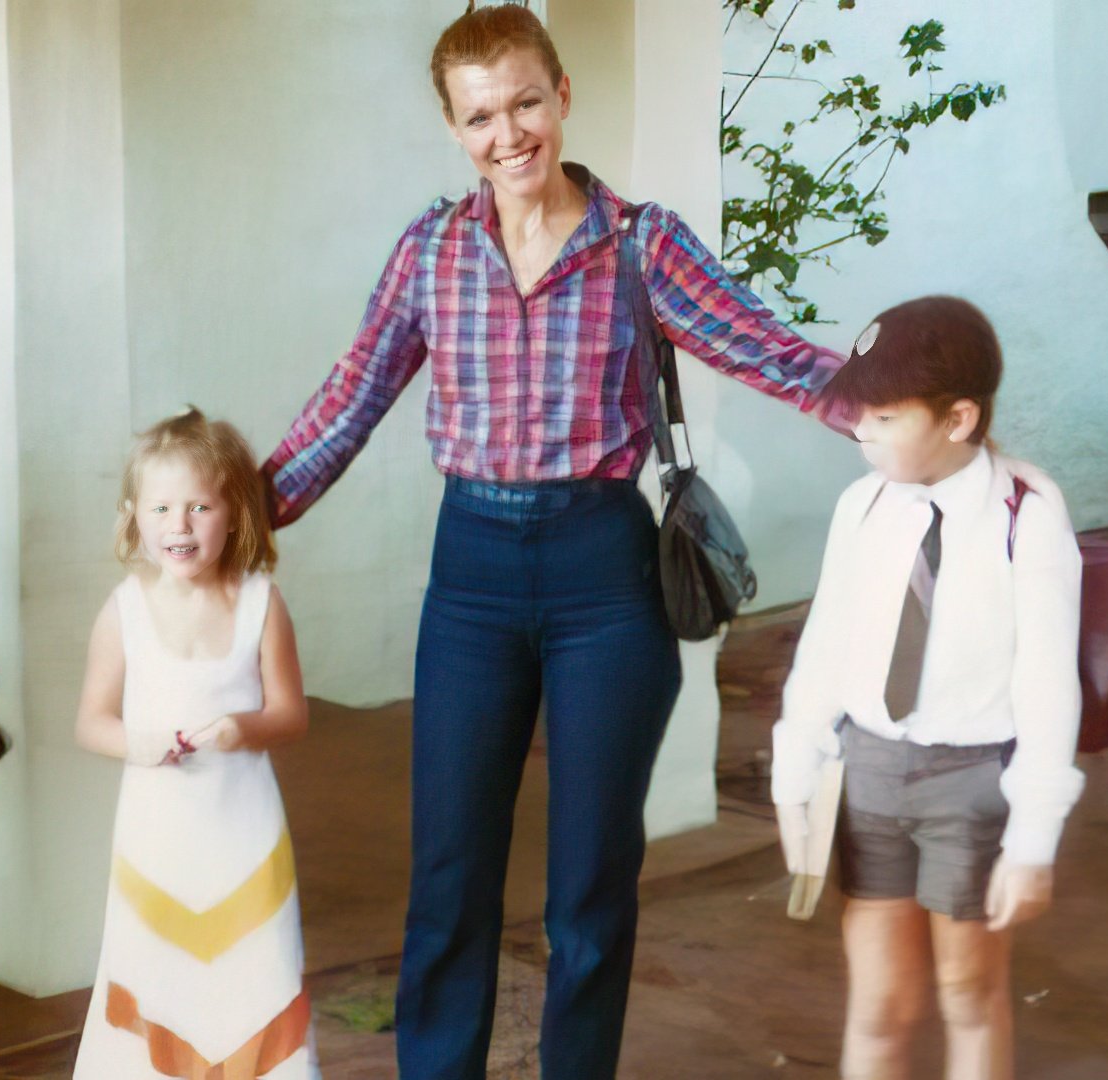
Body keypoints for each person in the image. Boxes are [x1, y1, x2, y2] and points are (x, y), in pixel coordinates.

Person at [260, 7, 852, 1075]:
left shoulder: (641, 243)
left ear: (564, 95)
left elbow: (763, 349)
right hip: (472, 579)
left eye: (525, 101)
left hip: (604, 579)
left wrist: (894, 405)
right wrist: (237, 520)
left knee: (589, 882)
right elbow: (348, 402)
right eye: (480, 114)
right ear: (454, 128)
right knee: (449, 874)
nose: (509, 132)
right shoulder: (433, 251)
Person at [771, 296, 1086, 1080]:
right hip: (869, 774)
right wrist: (793, 775)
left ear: (958, 418)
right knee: (878, 1008)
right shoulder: (864, 505)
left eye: (882, 415)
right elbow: (826, 647)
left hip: (972, 784)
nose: (859, 429)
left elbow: (1050, 682)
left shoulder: (1028, 511)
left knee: (968, 993)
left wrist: (1034, 840)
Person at [73, 408, 319, 1078]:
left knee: (253, 976)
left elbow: (291, 714)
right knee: (158, 980)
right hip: (156, 842)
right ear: (134, 517)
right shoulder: (124, 610)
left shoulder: (261, 604)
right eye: (160, 508)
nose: (178, 526)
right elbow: (91, 721)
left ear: (235, 513)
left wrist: (244, 728)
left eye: (199, 507)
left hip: (245, 838)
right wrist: (139, 742)